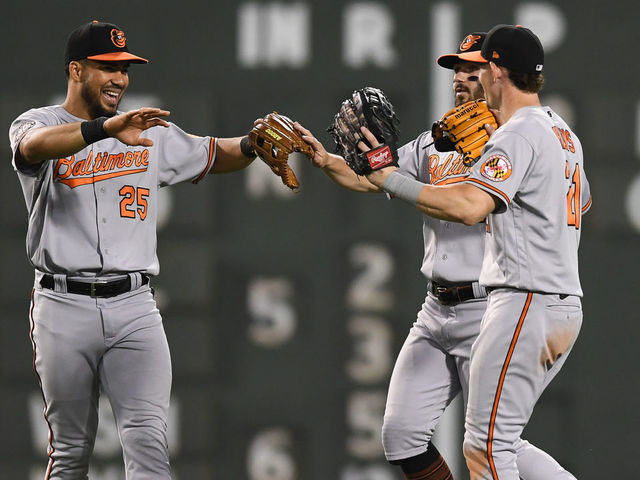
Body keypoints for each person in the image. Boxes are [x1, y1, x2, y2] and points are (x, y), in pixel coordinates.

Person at [297, 31, 580, 480]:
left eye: (475, 68)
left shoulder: (512, 135)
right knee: (408, 434)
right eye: (457, 71)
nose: (464, 79)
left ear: (496, 71)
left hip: (498, 301)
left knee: (491, 444)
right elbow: (376, 176)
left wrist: (497, 174)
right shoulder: (454, 140)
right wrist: (327, 160)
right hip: (443, 307)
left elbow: (468, 206)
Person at [9, 20, 263, 479]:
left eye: (124, 69)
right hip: (62, 305)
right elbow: (32, 148)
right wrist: (105, 129)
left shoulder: (144, 129)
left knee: (148, 441)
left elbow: (210, 153)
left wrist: (252, 144)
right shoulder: (39, 122)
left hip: (134, 307)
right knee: (69, 454)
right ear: (75, 70)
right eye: (107, 67)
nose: (119, 79)